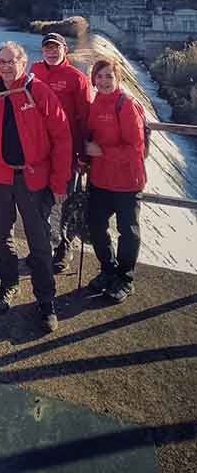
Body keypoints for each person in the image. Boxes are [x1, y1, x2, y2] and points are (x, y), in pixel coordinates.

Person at [0, 41, 72, 333]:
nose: (5, 67)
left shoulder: (39, 91)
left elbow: (62, 137)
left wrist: (59, 181)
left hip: (33, 178)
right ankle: (8, 285)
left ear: (23, 63)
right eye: (1, 62)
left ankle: (46, 300)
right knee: (1, 237)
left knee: (39, 241)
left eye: (11, 61)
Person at [85, 58, 146, 303]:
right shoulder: (96, 102)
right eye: (99, 77)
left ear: (118, 78)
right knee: (95, 225)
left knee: (128, 231)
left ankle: (125, 279)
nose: (104, 81)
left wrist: (102, 152)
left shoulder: (126, 104)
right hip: (100, 178)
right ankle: (108, 269)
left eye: (109, 76)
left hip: (127, 181)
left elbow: (136, 149)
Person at [30, 32, 91, 271]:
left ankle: (64, 247)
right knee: (38, 202)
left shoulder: (76, 78)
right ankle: (42, 246)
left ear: (65, 49)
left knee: (64, 202)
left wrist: (83, 155)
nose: (51, 52)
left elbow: (84, 117)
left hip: (67, 153)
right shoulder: (34, 70)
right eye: (47, 48)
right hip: (38, 151)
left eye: (56, 47)